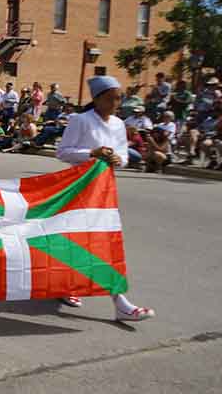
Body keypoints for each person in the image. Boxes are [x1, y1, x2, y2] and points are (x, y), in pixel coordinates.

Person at [56, 75, 155, 321]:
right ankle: (68, 286)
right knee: (78, 240)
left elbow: (124, 153)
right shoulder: (80, 120)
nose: (115, 103)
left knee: (103, 242)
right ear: (97, 99)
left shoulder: (119, 124)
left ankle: (119, 301)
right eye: (110, 98)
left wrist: (118, 159)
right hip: (79, 188)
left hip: (104, 191)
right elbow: (64, 152)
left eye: (119, 98)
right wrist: (92, 153)